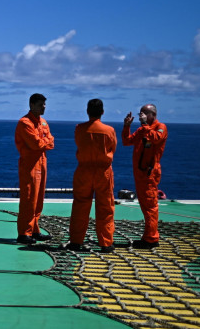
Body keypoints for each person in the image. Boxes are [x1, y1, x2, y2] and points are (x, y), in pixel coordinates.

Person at [67, 99, 117, 253]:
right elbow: (112, 147)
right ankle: (106, 243)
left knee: (80, 206)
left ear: (87, 111)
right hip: (103, 171)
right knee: (105, 207)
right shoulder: (109, 130)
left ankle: (76, 241)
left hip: (84, 171)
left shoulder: (79, 129)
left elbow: (78, 143)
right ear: (102, 112)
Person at [122, 103, 167, 249]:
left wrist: (144, 125)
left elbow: (155, 139)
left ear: (153, 114)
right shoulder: (143, 129)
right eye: (141, 113)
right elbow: (127, 141)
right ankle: (148, 236)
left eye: (145, 113)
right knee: (145, 206)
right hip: (140, 173)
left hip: (149, 173)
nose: (141, 115)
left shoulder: (160, 127)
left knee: (150, 206)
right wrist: (127, 126)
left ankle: (151, 238)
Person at [15, 93, 55, 244]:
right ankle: (24, 233)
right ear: (31, 105)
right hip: (30, 165)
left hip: (41, 162)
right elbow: (36, 144)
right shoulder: (25, 123)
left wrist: (44, 141)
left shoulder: (43, 123)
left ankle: (34, 229)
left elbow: (51, 142)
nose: (43, 107)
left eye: (44, 104)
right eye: (40, 105)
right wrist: (45, 141)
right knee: (29, 199)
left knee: (38, 200)